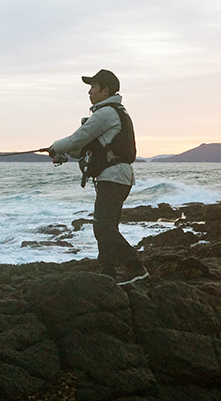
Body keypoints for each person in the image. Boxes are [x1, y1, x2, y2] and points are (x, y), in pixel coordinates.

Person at [48, 69, 148, 285]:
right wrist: (63, 152)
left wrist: (55, 147)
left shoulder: (106, 113)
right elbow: (84, 147)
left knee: (102, 227)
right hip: (116, 177)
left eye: (93, 87)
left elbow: (77, 138)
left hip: (114, 177)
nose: (90, 92)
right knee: (107, 227)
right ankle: (108, 273)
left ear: (106, 90)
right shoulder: (113, 112)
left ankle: (136, 268)